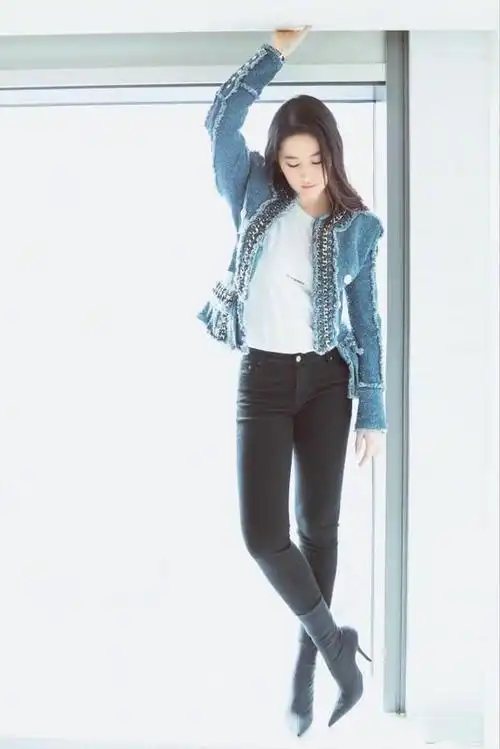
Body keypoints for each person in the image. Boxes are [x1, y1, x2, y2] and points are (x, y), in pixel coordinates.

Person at [198, 26, 387, 736]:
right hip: (265, 378)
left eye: (315, 160)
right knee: (263, 534)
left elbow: (367, 321)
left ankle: (310, 670)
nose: (305, 173)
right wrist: (274, 53)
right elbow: (220, 120)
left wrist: (374, 411)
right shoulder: (252, 194)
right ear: (275, 160)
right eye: (291, 160)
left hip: (328, 383)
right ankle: (337, 645)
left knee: (318, 527)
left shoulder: (358, 227)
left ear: (332, 156)